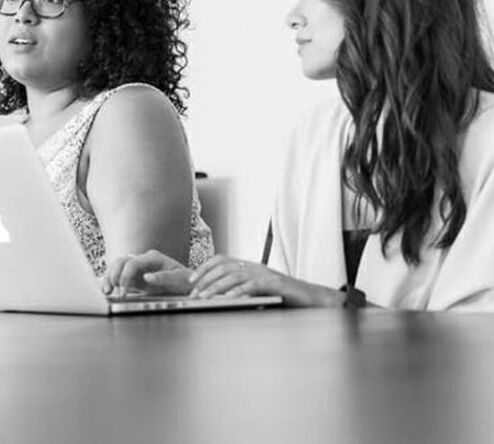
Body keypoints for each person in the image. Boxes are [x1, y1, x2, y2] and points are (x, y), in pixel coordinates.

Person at [105, 0, 494, 310]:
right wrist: (201, 289)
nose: (293, 17)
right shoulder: (314, 135)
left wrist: (324, 301)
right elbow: (283, 300)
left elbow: (475, 342)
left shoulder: (486, 137)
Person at [0, 0, 214, 285]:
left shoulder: (131, 111)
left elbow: (139, 298)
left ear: (103, 17)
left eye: (51, 1)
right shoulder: (1, 143)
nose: (23, 15)